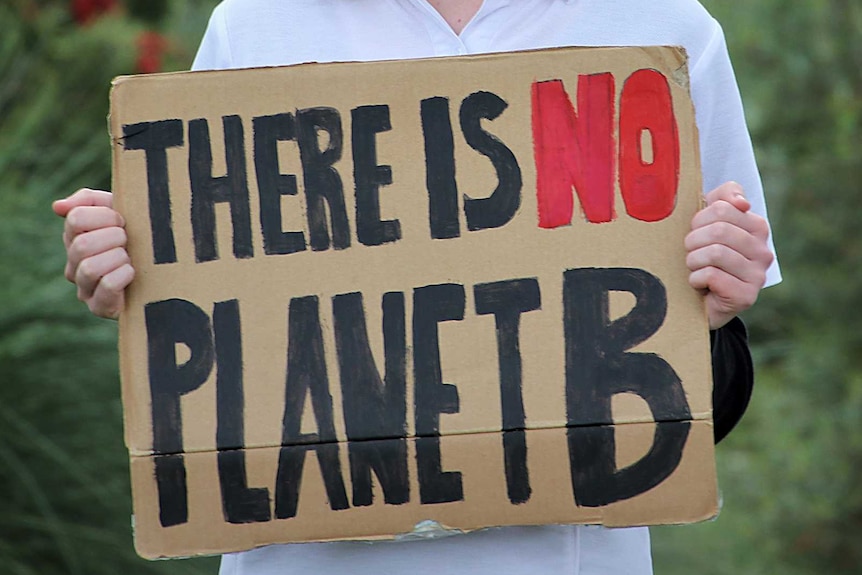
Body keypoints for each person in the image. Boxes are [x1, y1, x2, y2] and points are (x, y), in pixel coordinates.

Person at [52, 1, 780, 573]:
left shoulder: (663, 26)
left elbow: (707, 413)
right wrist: (130, 271)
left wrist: (706, 318)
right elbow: (217, 345)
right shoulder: (253, 23)